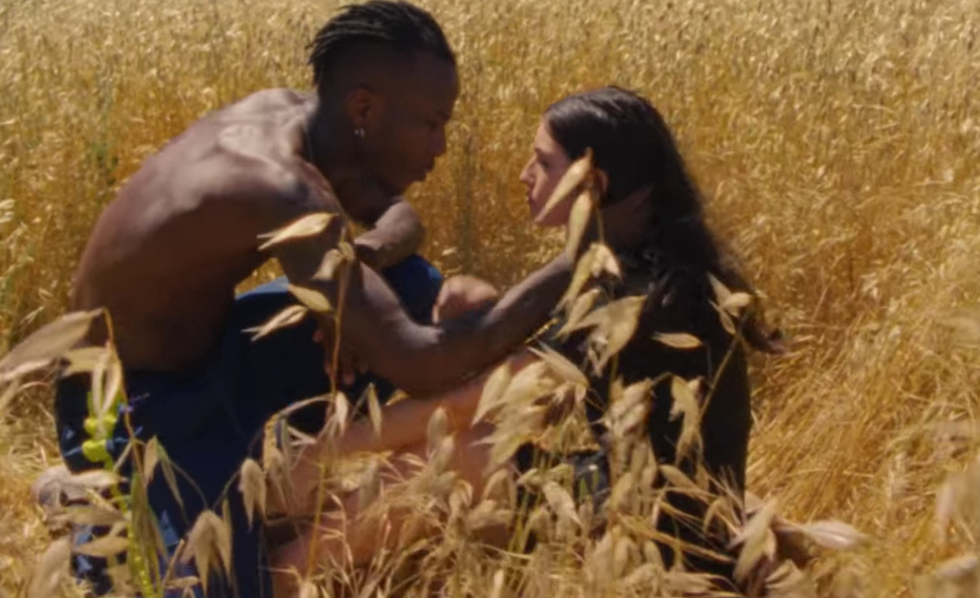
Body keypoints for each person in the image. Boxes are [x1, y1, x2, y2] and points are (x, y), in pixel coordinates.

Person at [52, 0, 575, 598]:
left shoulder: (308, 122)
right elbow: (419, 360)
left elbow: (399, 216)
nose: (441, 145)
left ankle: (259, 486)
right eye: (432, 123)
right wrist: (578, 258)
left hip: (218, 354)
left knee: (409, 289)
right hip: (130, 398)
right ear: (365, 108)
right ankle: (104, 498)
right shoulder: (277, 184)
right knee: (212, 590)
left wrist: (355, 276)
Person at [274, 86, 783, 587]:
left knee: (456, 454)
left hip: (658, 538)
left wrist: (320, 454)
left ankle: (284, 573)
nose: (525, 175)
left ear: (593, 185)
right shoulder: (646, 261)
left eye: (542, 163)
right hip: (635, 493)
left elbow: (469, 403)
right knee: (471, 441)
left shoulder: (639, 301)